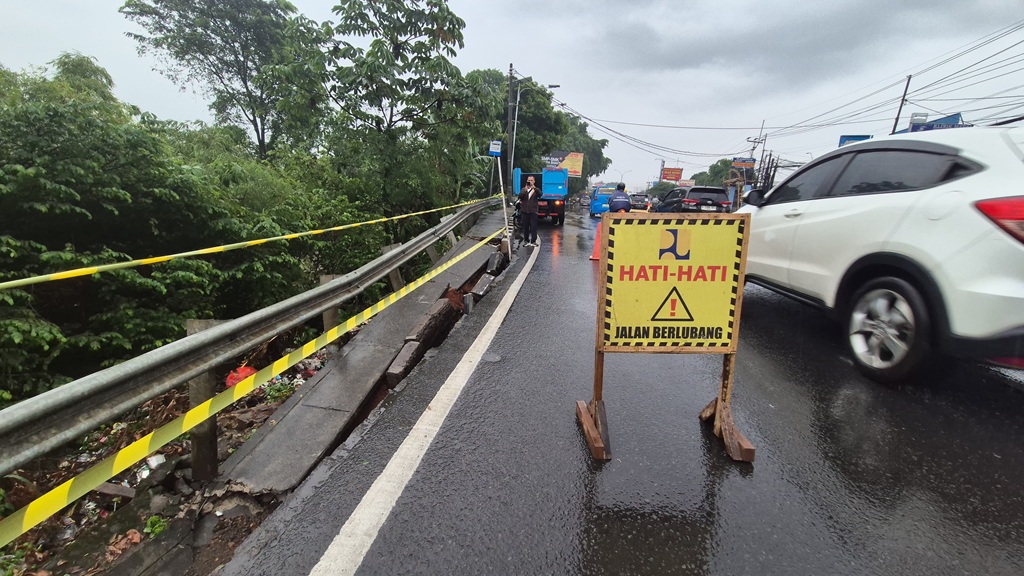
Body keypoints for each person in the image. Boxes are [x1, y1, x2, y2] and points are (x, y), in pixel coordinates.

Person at [518, 176, 542, 247]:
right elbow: (520, 197)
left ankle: (533, 241)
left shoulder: (536, 190)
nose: (530, 182)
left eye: (532, 180)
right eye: (529, 180)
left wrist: (534, 188)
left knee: (533, 226)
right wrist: (525, 189)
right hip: (525, 211)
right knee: (525, 226)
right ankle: (526, 240)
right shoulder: (524, 189)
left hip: (533, 211)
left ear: (534, 181)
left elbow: (540, 194)